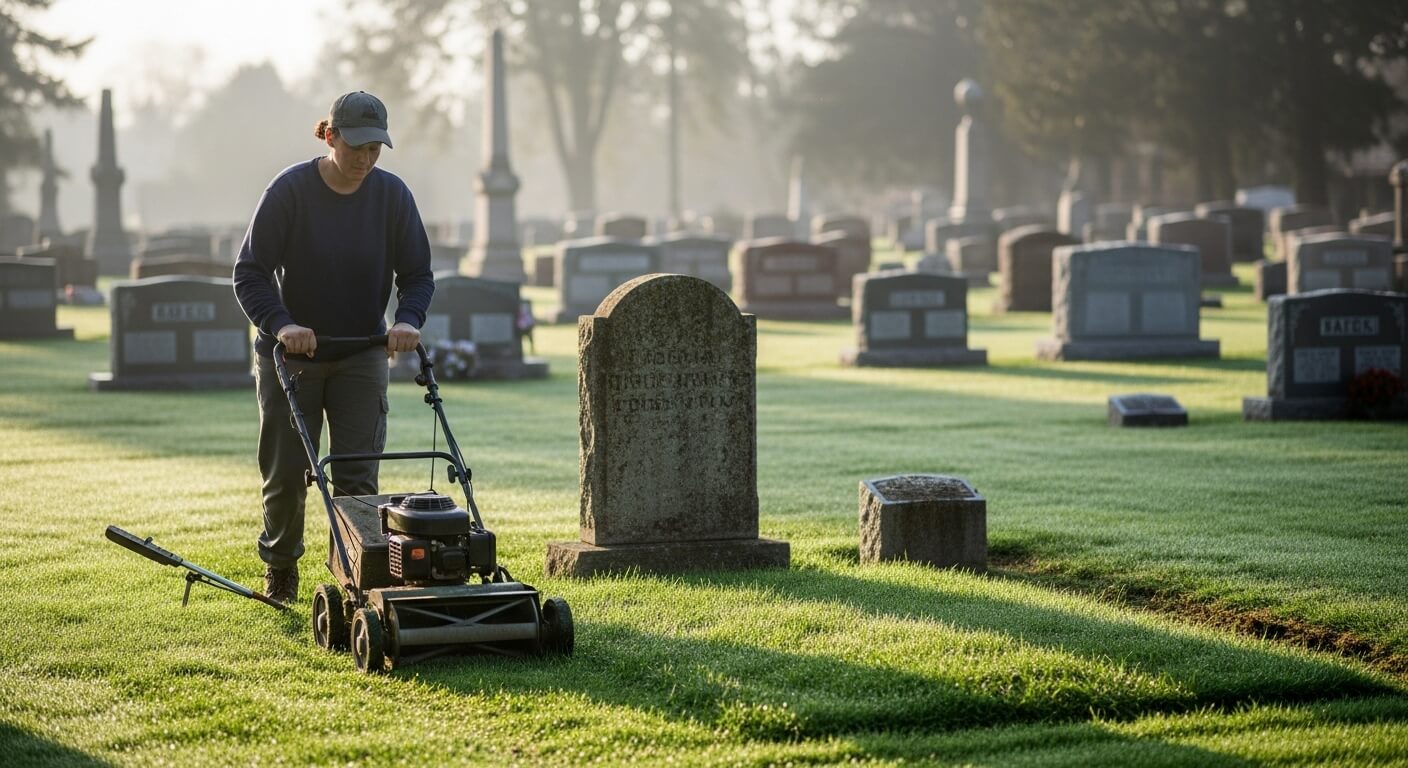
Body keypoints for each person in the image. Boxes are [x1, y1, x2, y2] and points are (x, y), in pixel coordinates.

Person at [233, 90, 434, 604]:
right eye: (358, 147)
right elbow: (250, 273)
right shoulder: (290, 192)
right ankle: (281, 568)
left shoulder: (392, 197)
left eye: (376, 149)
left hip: (363, 352)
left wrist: (407, 320)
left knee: (358, 475)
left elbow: (416, 276)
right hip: (292, 358)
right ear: (331, 136)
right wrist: (282, 325)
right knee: (286, 473)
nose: (367, 159)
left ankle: (354, 574)